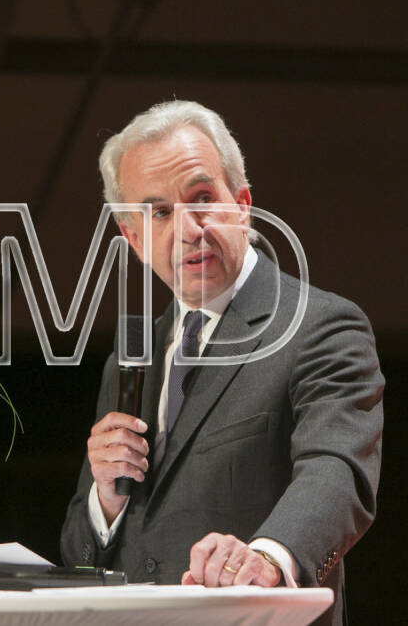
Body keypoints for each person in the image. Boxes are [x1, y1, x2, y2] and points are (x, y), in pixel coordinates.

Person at [60, 100, 383, 626]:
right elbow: (81, 553)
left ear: (244, 205)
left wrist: (268, 558)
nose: (189, 228)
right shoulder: (131, 357)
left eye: (203, 198)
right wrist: (106, 498)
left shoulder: (319, 328)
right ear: (134, 239)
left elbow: (336, 473)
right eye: (160, 212)